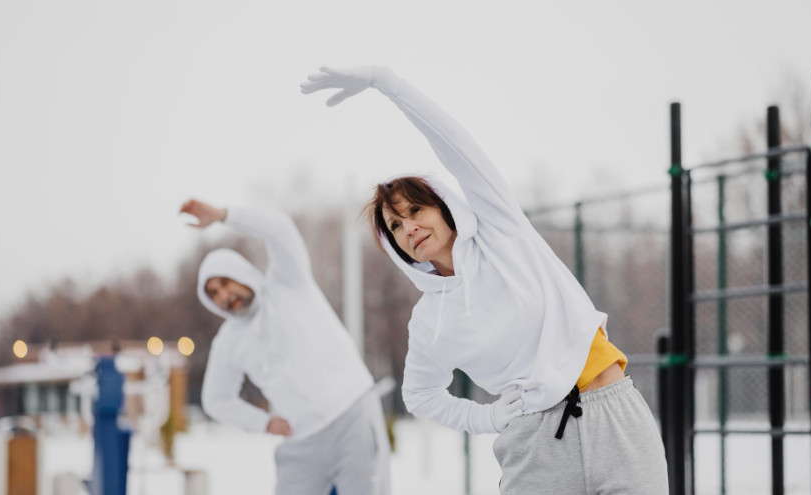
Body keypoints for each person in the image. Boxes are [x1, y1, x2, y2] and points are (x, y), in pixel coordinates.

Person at [301, 66, 668, 493]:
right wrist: (486, 418)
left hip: (615, 417)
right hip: (535, 445)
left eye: (415, 211)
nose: (409, 229)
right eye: (395, 226)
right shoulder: (429, 320)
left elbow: (458, 148)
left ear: (443, 208)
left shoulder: (502, 234)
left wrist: (389, 84)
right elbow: (420, 395)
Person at [180, 199, 390, 495]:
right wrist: (264, 423)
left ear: (240, 273)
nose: (224, 295)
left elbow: (280, 229)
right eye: (213, 293)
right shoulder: (228, 342)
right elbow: (216, 400)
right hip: (301, 441)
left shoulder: (287, 283)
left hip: (351, 416)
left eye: (225, 283)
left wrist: (224, 216)